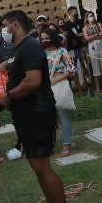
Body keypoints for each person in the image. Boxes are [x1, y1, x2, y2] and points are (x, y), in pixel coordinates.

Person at [0, 11, 78, 203]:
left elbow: (32, 81)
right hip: (26, 114)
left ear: (15, 25)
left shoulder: (31, 46)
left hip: (37, 113)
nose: (0, 31)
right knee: (36, 165)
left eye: (3, 26)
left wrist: (9, 97)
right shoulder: (20, 48)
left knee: (43, 166)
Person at [41, 29, 77, 157]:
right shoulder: (42, 52)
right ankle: (48, 144)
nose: (44, 41)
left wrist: (56, 79)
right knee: (46, 118)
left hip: (59, 84)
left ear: (52, 38)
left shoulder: (62, 51)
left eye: (46, 38)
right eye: (42, 39)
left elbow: (71, 69)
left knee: (63, 116)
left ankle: (67, 144)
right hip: (45, 88)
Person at [83, 11, 102, 92]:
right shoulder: (85, 28)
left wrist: (92, 37)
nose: (91, 17)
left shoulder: (99, 24)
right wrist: (97, 34)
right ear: (87, 18)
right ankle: (97, 87)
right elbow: (87, 38)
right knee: (95, 66)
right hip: (92, 47)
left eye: (92, 15)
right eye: (90, 16)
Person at [64, 6, 88, 92]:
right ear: (70, 13)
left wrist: (85, 41)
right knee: (73, 69)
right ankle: (78, 87)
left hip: (81, 47)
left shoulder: (80, 21)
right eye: (74, 11)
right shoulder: (66, 24)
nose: (76, 12)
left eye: (76, 11)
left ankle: (86, 84)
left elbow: (85, 32)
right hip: (71, 49)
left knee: (84, 65)